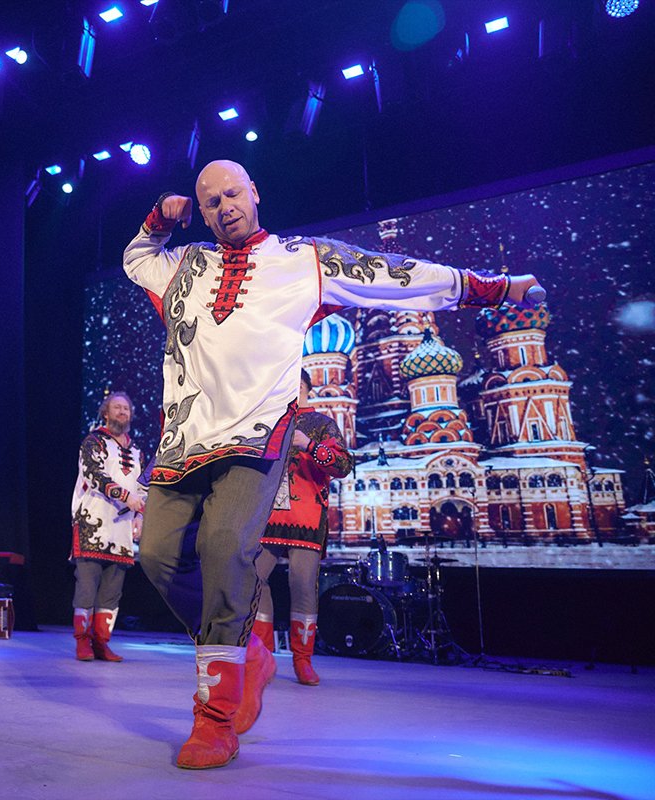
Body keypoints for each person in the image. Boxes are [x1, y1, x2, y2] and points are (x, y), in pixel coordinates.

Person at [123, 159, 543, 769]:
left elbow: (398, 275)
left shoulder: (304, 261)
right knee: (157, 556)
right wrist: (159, 219)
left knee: (224, 547)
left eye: (233, 193)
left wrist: (494, 288)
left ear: (254, 192)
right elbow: (137, 257)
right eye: (210, 201)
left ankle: (215, 717)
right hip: (184, 441)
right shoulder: (185, 264)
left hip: (257, 436)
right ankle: (246, 648)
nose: (224, 206)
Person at [254, 370, 353, 686]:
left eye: (296, 385)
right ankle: (263, 655)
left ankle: (302, 659)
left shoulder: (321, 423)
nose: (291, 390)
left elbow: (344, 465)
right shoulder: (270, 421)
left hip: (306, 514)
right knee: (253, 577)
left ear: (308, 389)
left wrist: (310, 445)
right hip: (267, 514)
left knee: (302, 585)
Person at [70, 392, 146, 662]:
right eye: (117, 407)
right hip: (92, 521)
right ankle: (82, 641)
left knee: (113, 590)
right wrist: (126, 497)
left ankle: (102, 642)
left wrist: (140, 516)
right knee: (87, 586)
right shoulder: (94, 442)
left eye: (126, 408)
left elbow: (142, 487)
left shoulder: (136, 451)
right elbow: (94, 475)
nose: (122, 412)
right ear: (106, 412)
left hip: (122, 528)